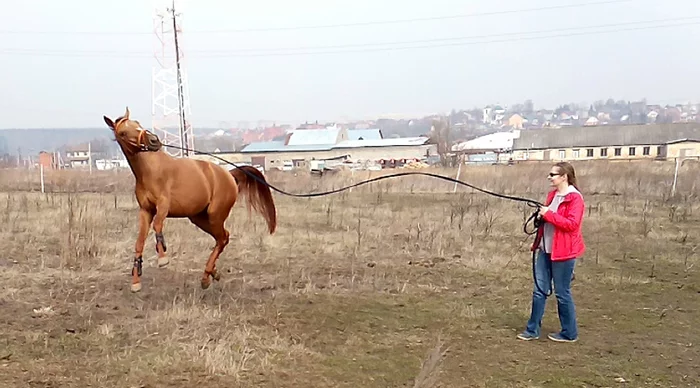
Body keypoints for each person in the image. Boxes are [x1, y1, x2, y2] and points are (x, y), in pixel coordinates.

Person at [517, 161, 585, 343]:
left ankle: (569, 333)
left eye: (553, 174)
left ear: (564, 177)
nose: (549, 177)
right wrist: (541, 217)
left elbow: (572, 225)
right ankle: (532, 330)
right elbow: (550, 219)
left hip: (564, 252)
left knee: (562, 293)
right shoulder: (553, 195)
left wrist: (549, 215)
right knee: (539, 290)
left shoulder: (575, 198)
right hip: (545, 249)